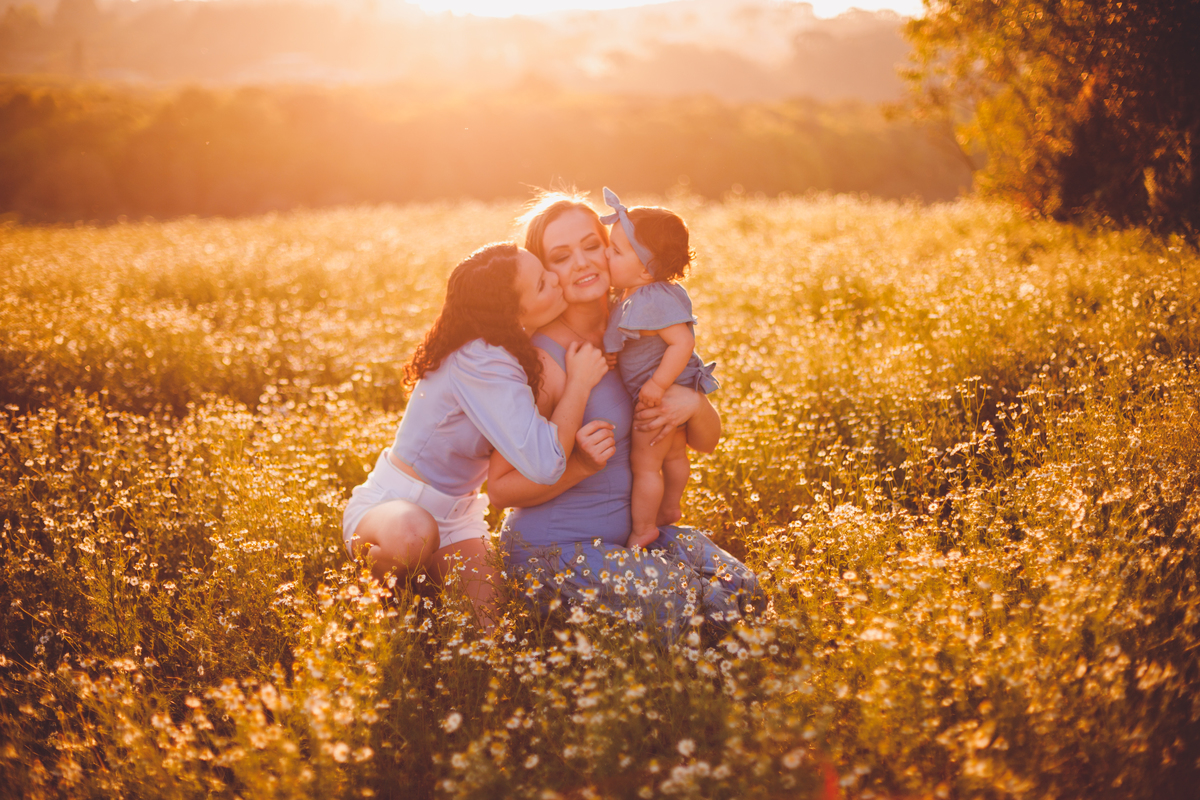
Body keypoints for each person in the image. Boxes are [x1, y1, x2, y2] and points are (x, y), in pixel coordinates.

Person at [488, 191, 763, 643]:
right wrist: (580, 464)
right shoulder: (545, 360)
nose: (582, 263)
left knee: (742, 593)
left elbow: (708, 440)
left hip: (639, 539)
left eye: (592, 245)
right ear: (545, 273)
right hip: (554, 548)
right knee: (680, 602)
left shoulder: (644, 325)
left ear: (619, 248)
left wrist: (694, 404)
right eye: (561, 256)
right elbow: (499, 489)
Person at [341, 243, 609, 627]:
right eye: (541, 284)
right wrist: (579, 384)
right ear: (512, 313)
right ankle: (369, 603)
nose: (555, 279)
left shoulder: (516, 352)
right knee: (413, 536)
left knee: (489, 632)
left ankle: (421, 588)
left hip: (459, 517)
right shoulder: (482, 358)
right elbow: (546, 463)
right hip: (394, 508)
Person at [598, 188, 719, 550]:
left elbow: (683, 342)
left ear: (648, 271)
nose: (606, 254)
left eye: (616, 251)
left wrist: (656, 385)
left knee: (646, 465)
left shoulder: (649, 298)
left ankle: (645, 527)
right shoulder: (636, 294)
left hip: (659, 396)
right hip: (670, 391)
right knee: (675, 453)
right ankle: (671, 505)